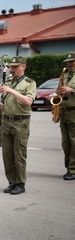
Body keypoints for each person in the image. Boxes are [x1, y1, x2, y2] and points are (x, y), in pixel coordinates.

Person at [0, 56, 36, 194]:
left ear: (23, 66)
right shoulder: (7, 81)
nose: (12, 69)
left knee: (19, 154)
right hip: (7, 121)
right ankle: (12, 182)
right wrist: (0, 104)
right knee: (7, 155)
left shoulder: (29, 83)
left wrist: (10, 90)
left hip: (21, 122)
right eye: (11, 67)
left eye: (15, 66)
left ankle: (20, 183)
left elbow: (28, 102)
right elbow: (5, 102)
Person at [57, 51, 75, 180]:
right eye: (68, 62)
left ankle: (73, 170)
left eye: (72, 62)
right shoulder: (66, 74)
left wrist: (72, 90)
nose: (70, 64)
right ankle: (69, 168)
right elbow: (58, 91)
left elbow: (70, 90)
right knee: (66, 143)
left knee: (74, 142)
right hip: (64, 111)